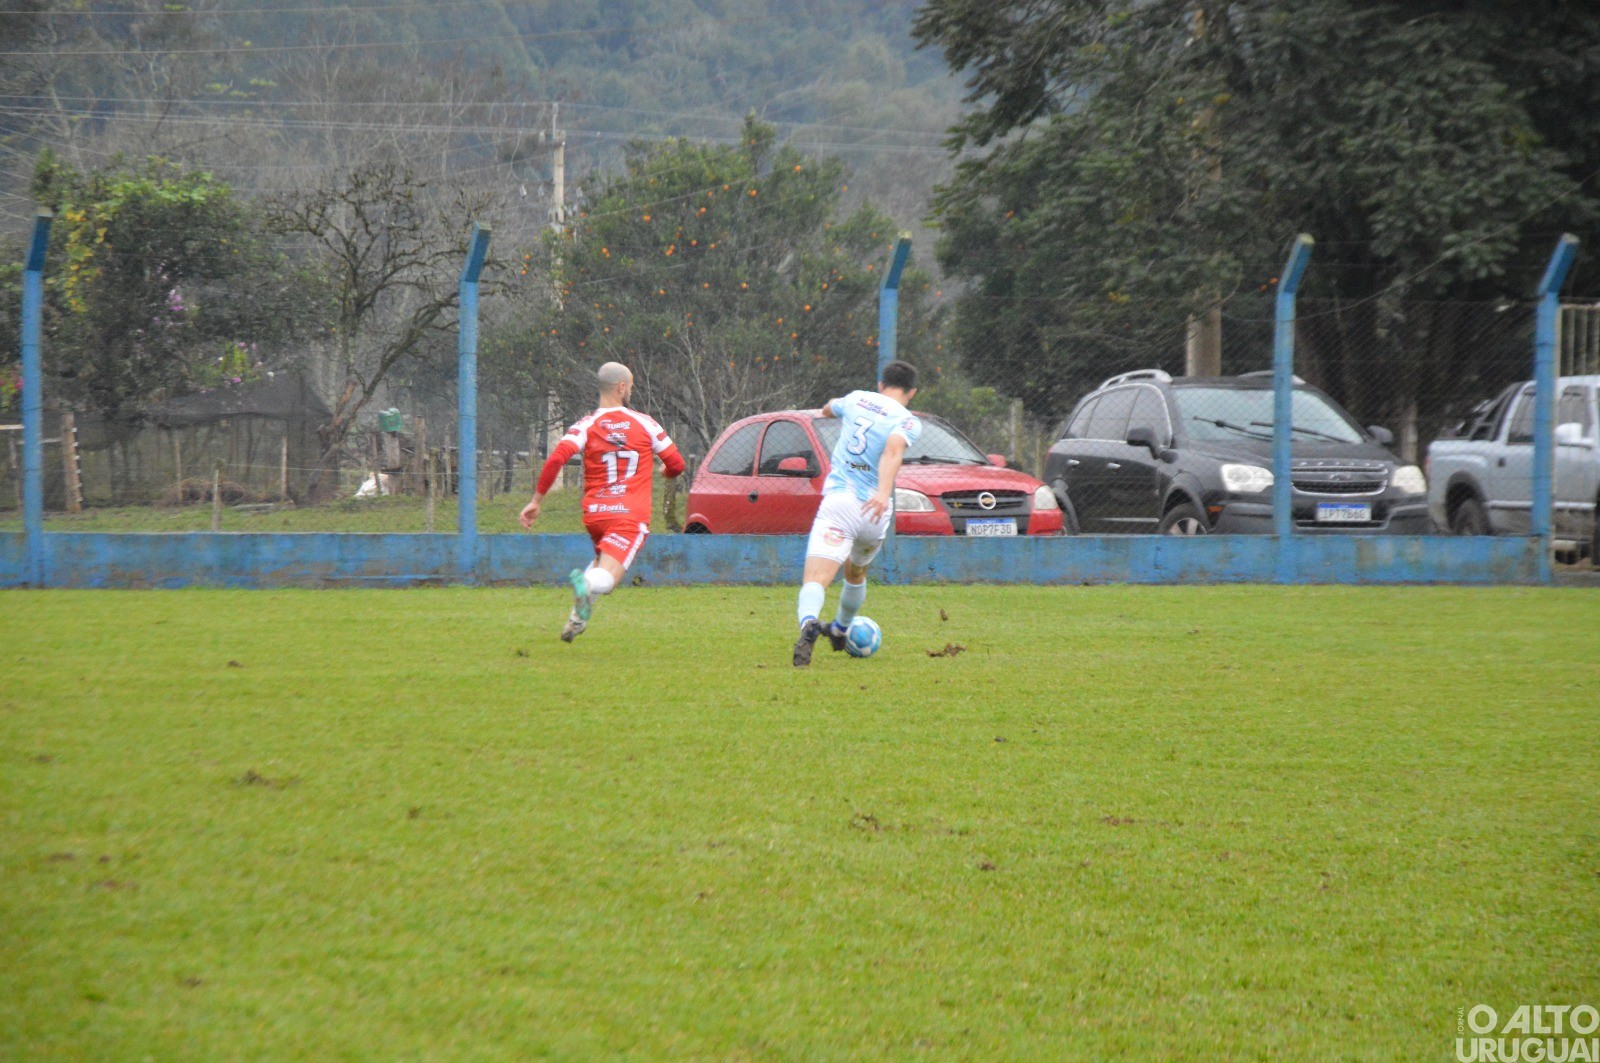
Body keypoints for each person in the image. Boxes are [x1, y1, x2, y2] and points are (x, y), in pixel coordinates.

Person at [521, 362, 685, 642]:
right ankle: (585, 584)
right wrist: (666, 472)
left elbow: (557, 458)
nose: (631, 391)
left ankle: (576, 620)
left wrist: (536, 500)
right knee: (606, 581)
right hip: (629, 515)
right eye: (630, 386)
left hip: (596, 514)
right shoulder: (645, 423)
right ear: (621, 387)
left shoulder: (586, 425)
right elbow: (677, 464)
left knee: (601, 563)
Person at [792, 359, 921, 667]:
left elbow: (828, 408)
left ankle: (809, 624)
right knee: (856, 573)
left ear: (881, 384)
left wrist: (828, 410)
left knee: (817, 578)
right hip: (875, 514)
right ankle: (840, 629)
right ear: (912, 392)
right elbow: (893, 451)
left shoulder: (856, 399)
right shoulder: (908, 421)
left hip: (841, 504)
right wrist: (882, 492)